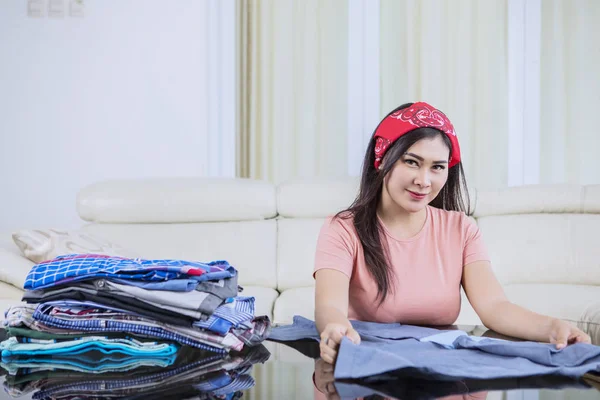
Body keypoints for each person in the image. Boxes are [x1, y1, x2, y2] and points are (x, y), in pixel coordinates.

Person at [313, 101, 591, 364]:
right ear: (383, 159)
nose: (423, 181)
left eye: (437, 167)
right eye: (411, 162)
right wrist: (336, 330)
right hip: (367, 362)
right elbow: (330, 306)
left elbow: (494, 306)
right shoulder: (343, 228)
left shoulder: (462, 229)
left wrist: (553, 328)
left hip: (442, 366)